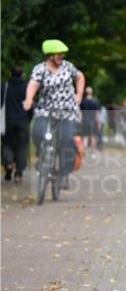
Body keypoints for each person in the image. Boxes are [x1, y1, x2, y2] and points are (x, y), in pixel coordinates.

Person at [24, 40, 85, 187]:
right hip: (46, 109)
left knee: (66, 141)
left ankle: (63, 174)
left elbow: (80, 77)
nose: (61, 56)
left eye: (62, 54)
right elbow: (33, 83)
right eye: (58, 54)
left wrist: (79, 94)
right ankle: (42, 155)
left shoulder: (67, 67)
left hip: (67, 111)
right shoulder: (40, 69)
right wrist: (28, 99)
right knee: (38, 132)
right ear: (50, 55)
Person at [2, 66, 31, 183]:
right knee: (22, 146)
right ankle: (18, 173)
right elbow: (30, 105)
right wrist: (29, 117)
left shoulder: (4, 86)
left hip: (7, 120)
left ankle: (8, 164)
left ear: (11, 73)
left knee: (7, 144)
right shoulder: (26, 88)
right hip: (22, 120)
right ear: (22, 74)